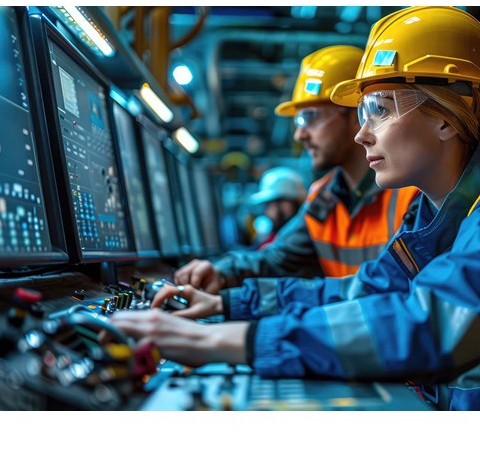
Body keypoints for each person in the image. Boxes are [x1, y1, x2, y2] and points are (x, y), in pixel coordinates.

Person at [113, 6, 480, 410]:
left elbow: (435, 323)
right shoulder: (431, 214)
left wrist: (232, 343)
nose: (363, 130)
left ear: (446, 117)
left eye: (378, 107)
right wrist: (230, 308)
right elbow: (362, 292)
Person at [173, 44, 420, 293]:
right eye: (297, 121)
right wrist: (221, 272)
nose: (300, 134)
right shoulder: (322, 200)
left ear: (355, 113)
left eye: (310, 117)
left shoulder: (411, 192)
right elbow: (274, 260)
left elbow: (389, 291)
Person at [247, 166, 307, 249]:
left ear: (287, 204)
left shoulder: (303, 240)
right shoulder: (275, 238)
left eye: (269, 205)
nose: (266, 212)